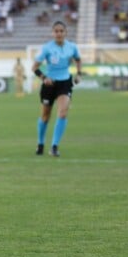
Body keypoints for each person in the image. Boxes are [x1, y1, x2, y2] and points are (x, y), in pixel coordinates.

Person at [32, 20, 82, 157]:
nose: (59, 33)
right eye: (56, 31)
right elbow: (34, 67)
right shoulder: (47, 48)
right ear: (52, 33)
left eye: (61, 31)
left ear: (66, 33)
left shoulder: (72, 47)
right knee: (45, 116)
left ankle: (54, 146)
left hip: (65, 83)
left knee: (63, 112)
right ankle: (40, 143)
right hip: (49, 85)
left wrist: (79, 74)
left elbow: (78, 59)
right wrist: (44, 78)